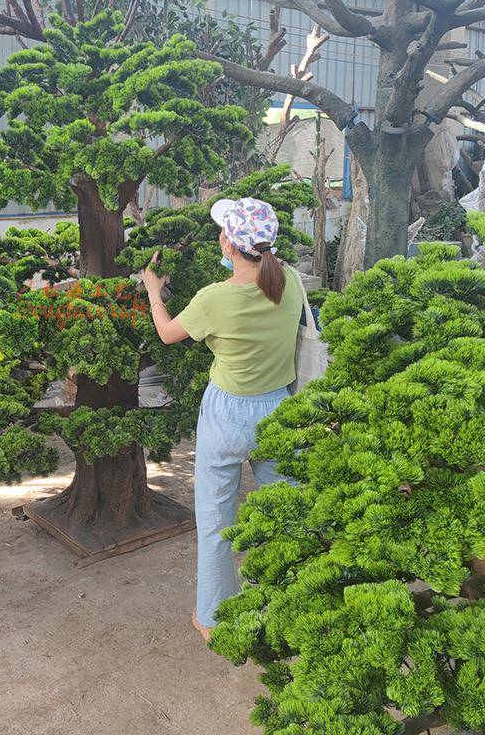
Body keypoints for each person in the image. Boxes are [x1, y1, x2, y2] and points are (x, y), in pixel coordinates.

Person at [141, 197, 302, 642]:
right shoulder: (289, 282)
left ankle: (213, 619)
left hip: (227, 413)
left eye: (223, 231)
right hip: (279, 411)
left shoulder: (214, 298)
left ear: (229, 244)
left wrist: (154, 290)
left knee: (215, 521)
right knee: (289, 513)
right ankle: (297, 601)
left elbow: (167, 334)